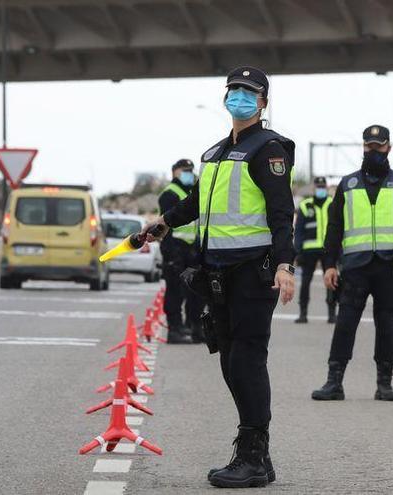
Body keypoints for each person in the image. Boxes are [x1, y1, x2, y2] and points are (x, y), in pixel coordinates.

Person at [141, 66, 296, 489]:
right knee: (229, 359)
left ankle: (252, 454)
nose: (240, 98)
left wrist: (285, 265)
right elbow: (196, 202)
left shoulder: (270, 149)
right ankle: (256, 455)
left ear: (263, 102)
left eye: (249, 92)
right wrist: (163, 224)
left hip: (253, 270)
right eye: (234, 91)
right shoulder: (213, 154)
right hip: (217, 271)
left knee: (247, 358)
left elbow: (282, 213)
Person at [311, 124, 393, 402]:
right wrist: (329, 265)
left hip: (390, 266)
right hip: (355, 267)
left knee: (386, 325)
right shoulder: (347, 185)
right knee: (345, 324)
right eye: (369, 146)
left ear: (388, 148)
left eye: (379, 146)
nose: (374, 151)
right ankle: (333, 382)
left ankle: (384, 383)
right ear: (363, 147)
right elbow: (334, 228)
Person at [158, 159, 202, 344]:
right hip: (175, 249)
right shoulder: (170, 194)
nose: (189, 173)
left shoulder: (192, 193)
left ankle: (193, 326)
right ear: (175, 172)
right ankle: (174, 329)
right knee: (175, 292)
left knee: (194, 291)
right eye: (185, 170)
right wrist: (170, 255)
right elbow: (165, 226)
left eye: (191, 170)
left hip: (191, 251)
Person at [293, 176, 336, 324]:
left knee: (331, 281)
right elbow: (298, 231)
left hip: (328, 250)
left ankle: (332, 314)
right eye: (318, 187)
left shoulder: (333, 204)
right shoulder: (305, 206)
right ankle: (303, 313)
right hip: (309, 251)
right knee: (305, 283)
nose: (320, 189)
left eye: (323, 187)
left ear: (326, 187)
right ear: (313, 188)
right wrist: (297, 252)